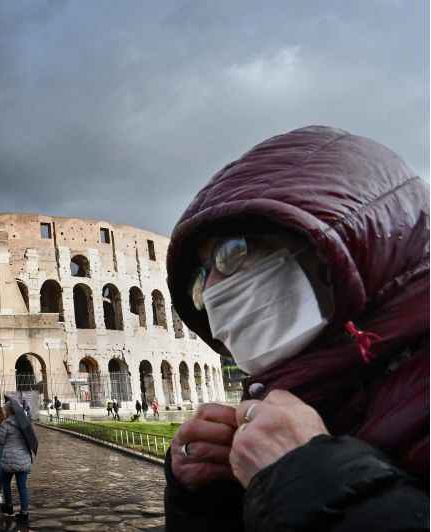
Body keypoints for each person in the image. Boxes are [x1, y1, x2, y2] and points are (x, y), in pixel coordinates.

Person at [163, 126, 429, 531]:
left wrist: (311, 480)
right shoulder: (303, 396)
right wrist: (210, 501)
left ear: (339, 244)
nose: (212, 291)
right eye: (200, 279)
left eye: (232, 252)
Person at [0, 399, 38, 522]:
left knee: (6, 484)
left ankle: (8, 507)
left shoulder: (5, 424)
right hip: (23, 460)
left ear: (8, 411)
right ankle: (24, 513)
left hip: (9, 460)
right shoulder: (25, 424)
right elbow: (30, 438)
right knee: (22, 487)